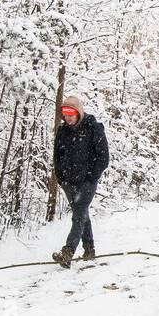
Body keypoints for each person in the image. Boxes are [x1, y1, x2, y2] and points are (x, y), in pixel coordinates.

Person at [51, 93, 110, 268]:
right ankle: (89, 249)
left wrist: (92, 176)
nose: (68, 118)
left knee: (78, 215)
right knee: (82, 214)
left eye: (71, 114)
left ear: (78, 113)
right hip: (68, 181)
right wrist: (60, 177)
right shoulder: (63, 131)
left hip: (87, 181)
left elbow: (103, 156)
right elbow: (57, 156)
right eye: (65, 114)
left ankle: (68, 251)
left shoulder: (93, 127)